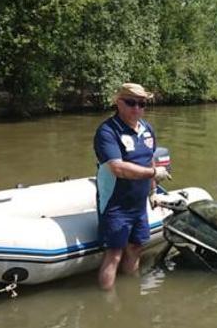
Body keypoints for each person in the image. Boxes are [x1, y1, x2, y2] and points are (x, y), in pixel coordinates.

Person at [93, 83, 170, 290]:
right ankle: (107, 301)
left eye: (142, 103)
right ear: (119, 103)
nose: (137, 108)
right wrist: (153, 173)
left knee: (136, 248)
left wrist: (153, 191)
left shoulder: (147, 129)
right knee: (114, 254)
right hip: (115, 205)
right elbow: (118, 168)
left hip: (138, 205)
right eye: (131, 102)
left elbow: (150, 160)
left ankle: (130, 292)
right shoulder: (108, 131)